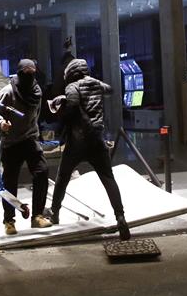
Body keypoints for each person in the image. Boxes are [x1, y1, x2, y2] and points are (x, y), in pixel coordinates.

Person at [50, 58, 130, 240]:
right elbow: (109, 90)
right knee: (108, 178)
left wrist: (61, 107)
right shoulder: (96, 84)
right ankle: (120, 216)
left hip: (78, 141)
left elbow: (72, 107)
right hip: (97, 139)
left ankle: (54, 213)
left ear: (71, 73)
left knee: (62, 177)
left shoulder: (72, 87)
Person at [0, 59, 52, 235]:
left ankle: (37, 216)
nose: (28, 76)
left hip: (30, 139)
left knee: (42, 171)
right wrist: (1, 122)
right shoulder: (8, 91)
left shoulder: (36, 91)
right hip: (11, 142)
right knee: (10, 181)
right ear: (19, 73)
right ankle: (9, 221)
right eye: (25, 73)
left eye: (31, 72)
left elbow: (37, 115)